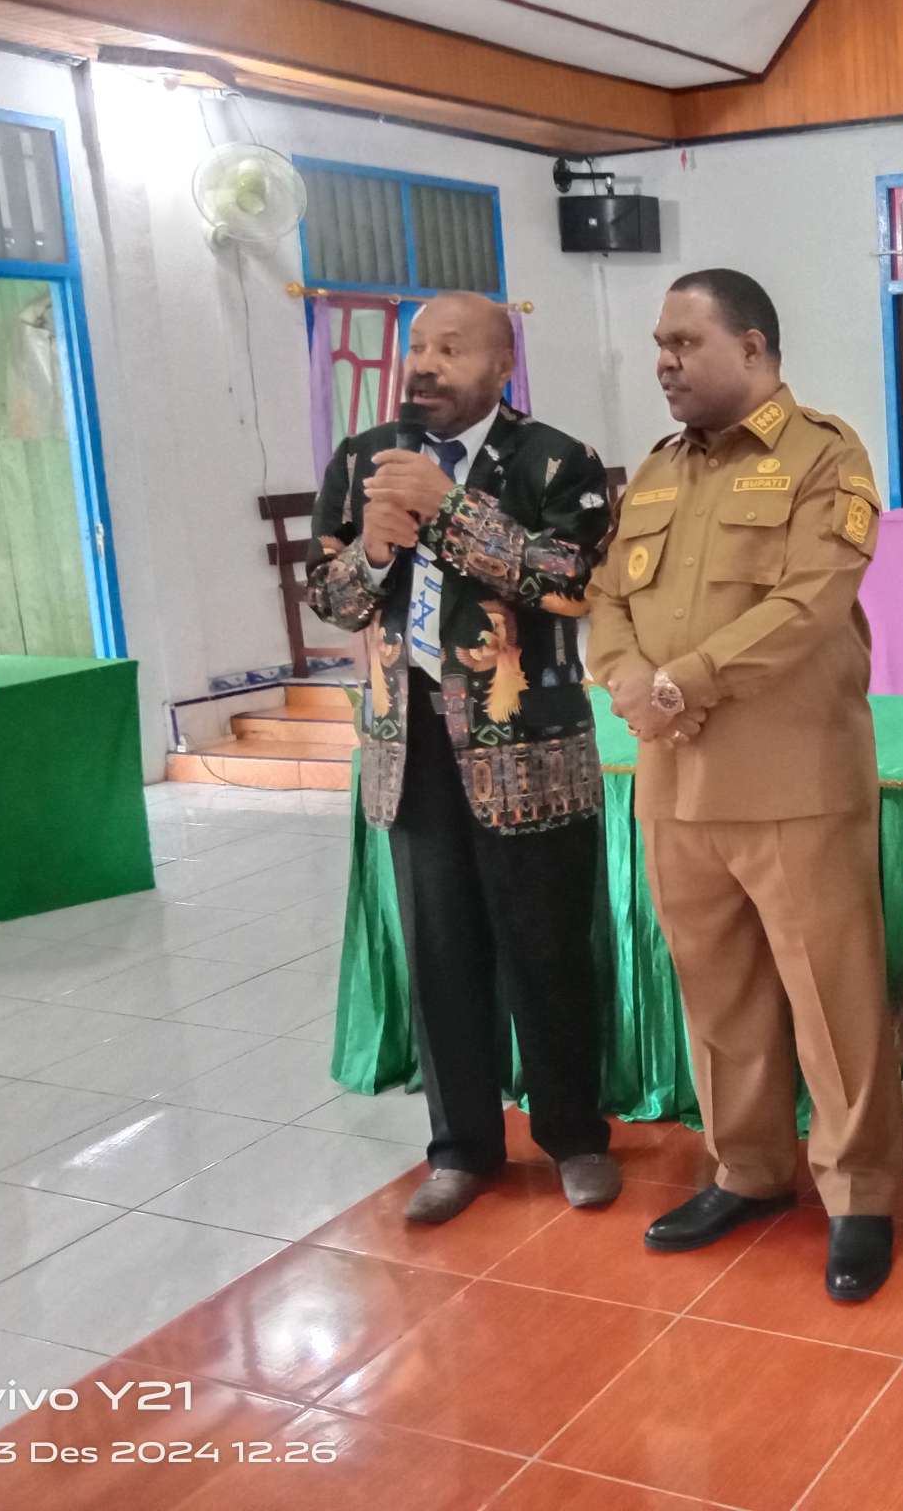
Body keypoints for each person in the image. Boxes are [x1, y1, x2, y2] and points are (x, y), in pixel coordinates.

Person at [586, 269, 903, 1301]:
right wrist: (628, 680)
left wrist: (682, 683)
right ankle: (750, 1171)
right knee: (716, 996)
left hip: (791, 781)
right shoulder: (656, 471)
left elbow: (811, 601)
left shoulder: (824, 456)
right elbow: (605, 599)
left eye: (684, 343)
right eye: (659, 345)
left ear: (754, 348)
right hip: (675, 784)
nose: (664, 363)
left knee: (832, 1000)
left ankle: (859, 1195)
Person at [305, 291, 619, 1223]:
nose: (426, 365)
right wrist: (370, 550)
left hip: (529, 751)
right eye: (418, 347)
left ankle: (576, 1138)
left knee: (548, 953)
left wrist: (449, 510)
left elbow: (572, 581)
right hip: (410, 751)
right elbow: (331, 598)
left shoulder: (557, 459)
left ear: (502, 365)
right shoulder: (363, 459)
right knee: (440, 957)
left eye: (451, 348)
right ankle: (461, 1148)